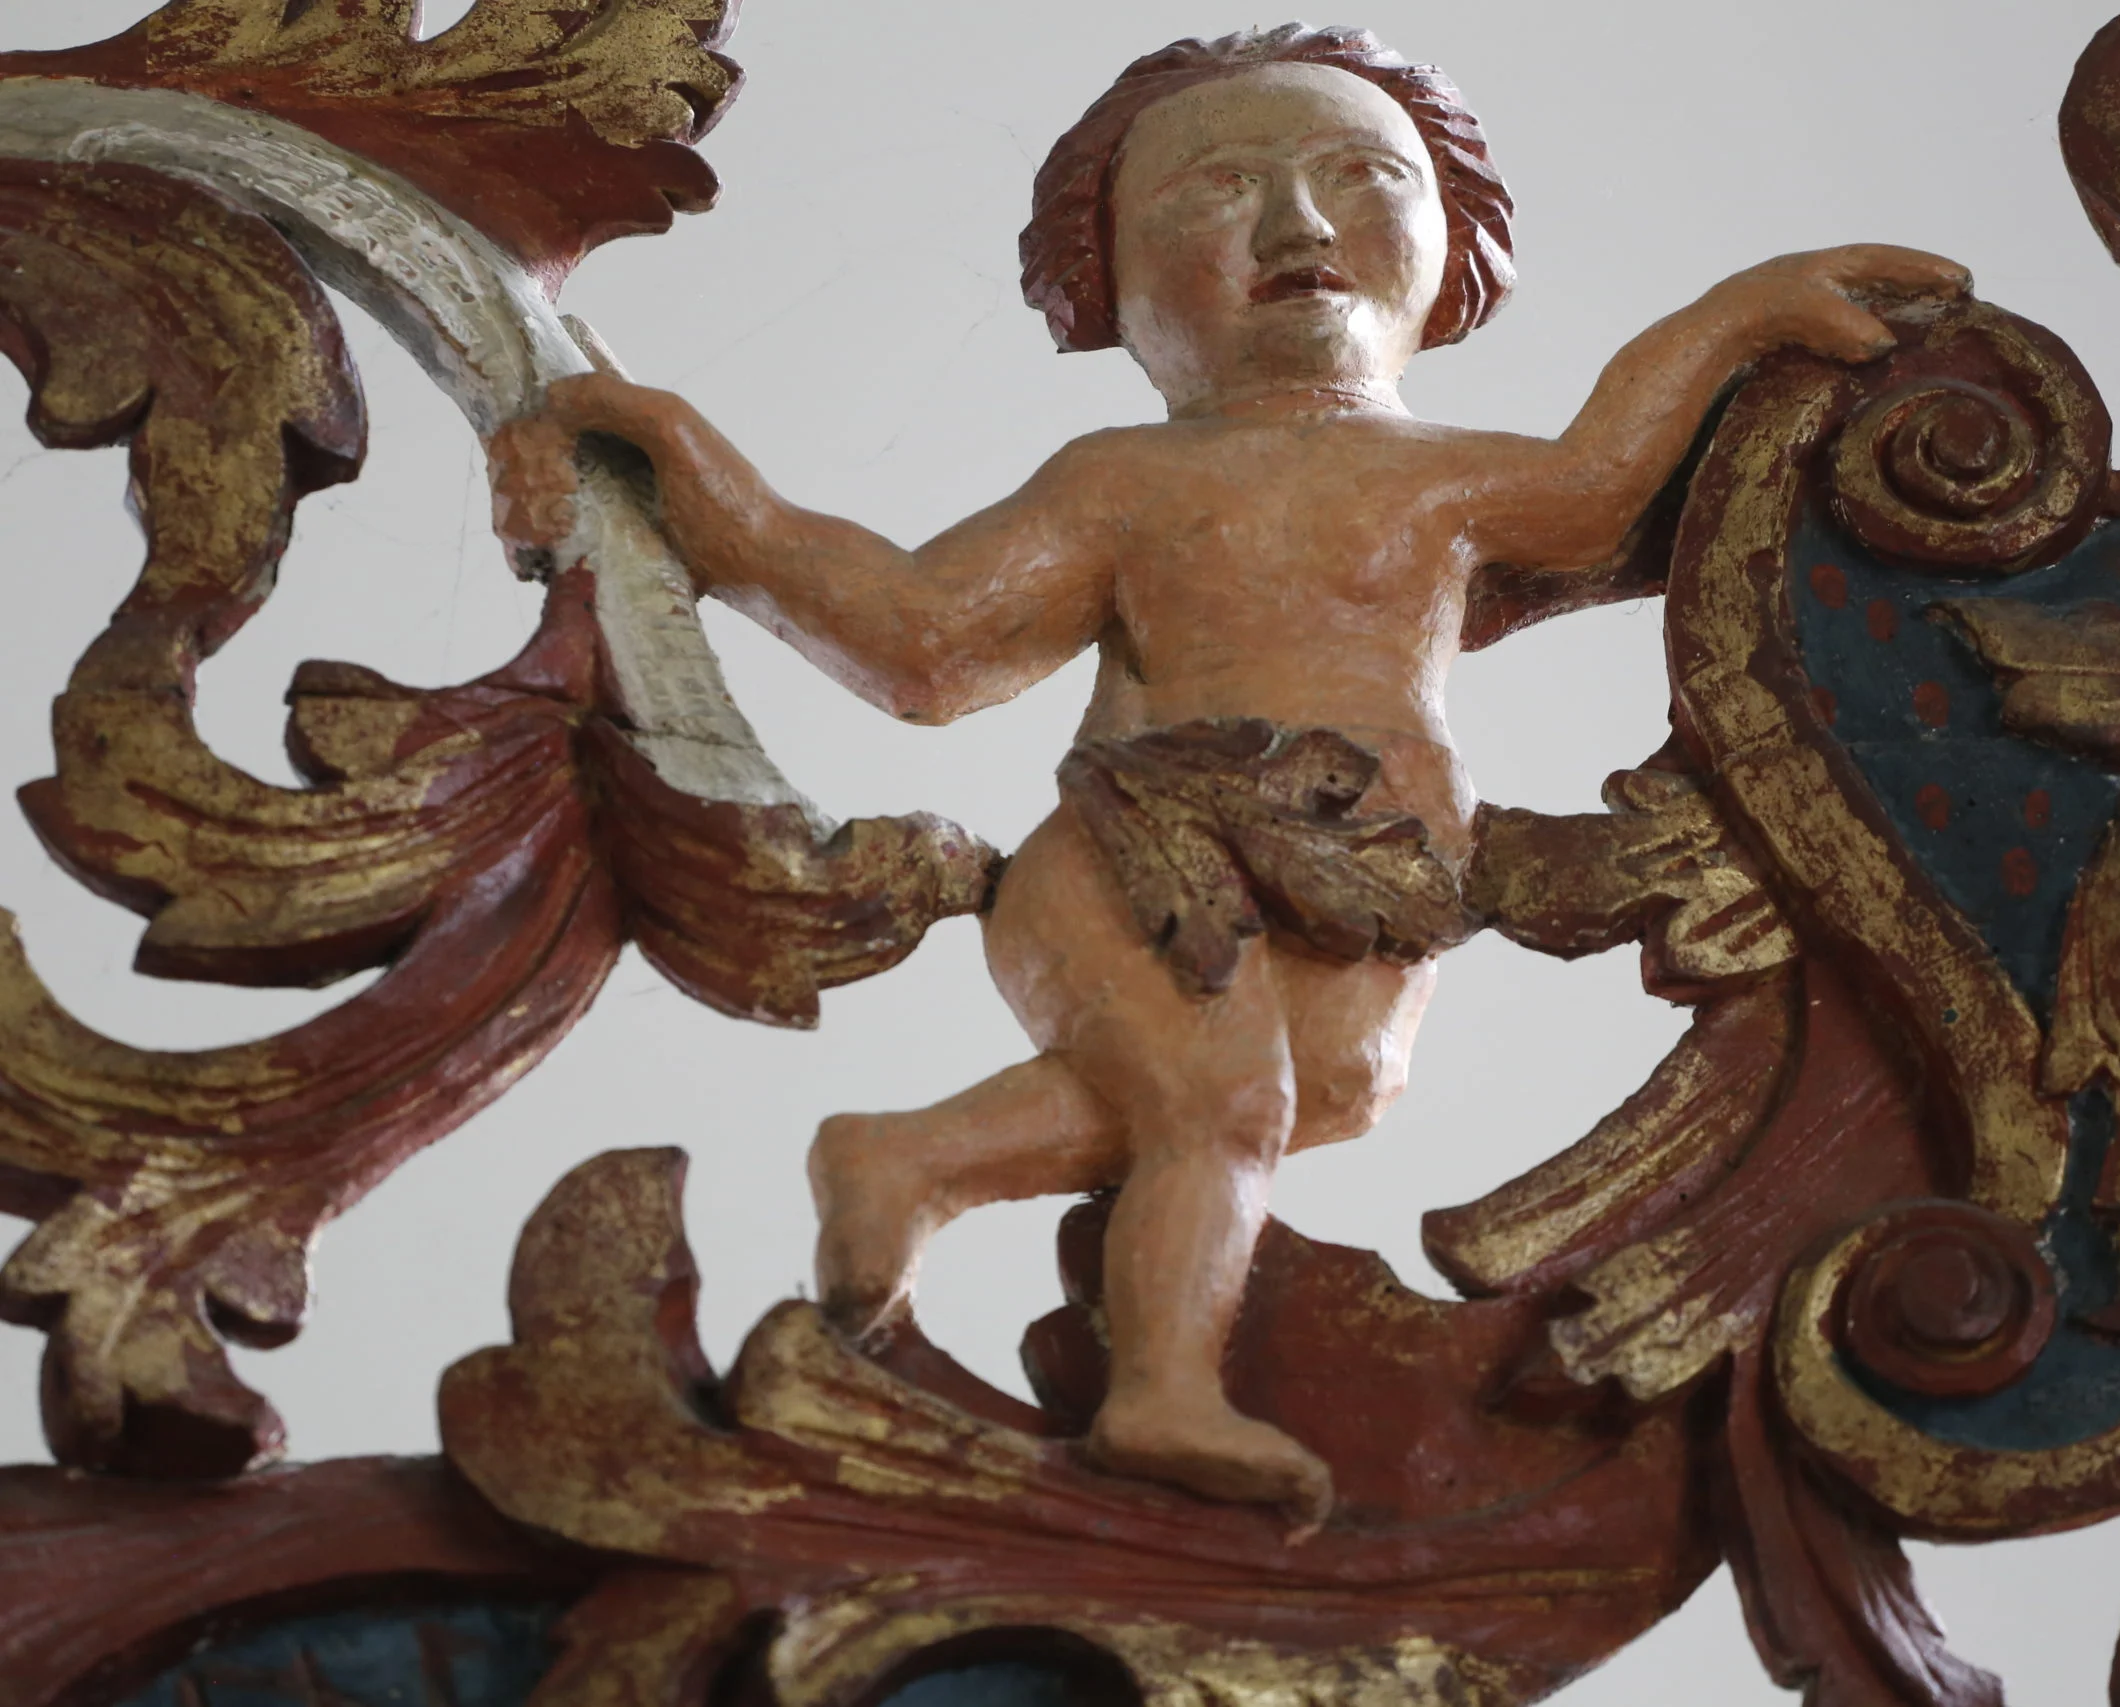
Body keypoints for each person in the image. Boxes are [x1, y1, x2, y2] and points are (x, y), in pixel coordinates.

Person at [488, 23, 1965, 1533]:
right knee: (1229, 1103)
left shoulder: (1448, 477)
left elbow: (1606, 482)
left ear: (1456, 250)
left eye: (1361, 176)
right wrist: (683, 458)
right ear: (1108, 282)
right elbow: (925, 638)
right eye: (1219, 189)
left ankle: (911, 1158)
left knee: (1336, 1086)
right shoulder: (1130, 482)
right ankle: (1162, 1392)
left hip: (1369, 869)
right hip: (1154, 841)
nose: (1298, 225)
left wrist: (1737, 319)